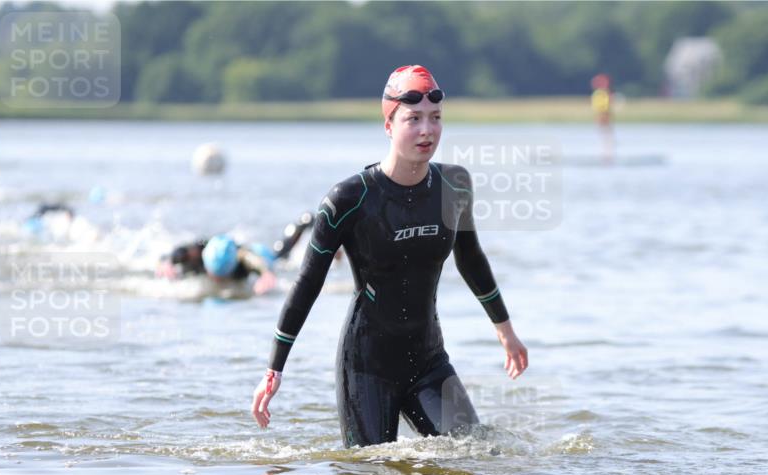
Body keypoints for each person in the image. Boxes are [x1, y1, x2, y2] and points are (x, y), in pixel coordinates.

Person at [251, 64, 528, 447]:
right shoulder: (349, 199)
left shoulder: (454, 186)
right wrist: (274, 368)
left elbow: (471, 259)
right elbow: (307, 283)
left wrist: (505, 331)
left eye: (435, 118)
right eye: (414, 119)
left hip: (429, 360)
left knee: (478, 455)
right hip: (366, 368)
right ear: (388, 125)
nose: (427, 130)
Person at [156, 213, 316, 296]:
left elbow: (252, 260)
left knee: (280, 253)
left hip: (260, 253)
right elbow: (179, 252)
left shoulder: (242, 260)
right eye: (215, 275)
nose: (217, 281)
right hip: (220, 246)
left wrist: (266, 273)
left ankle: (306, 222)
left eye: (221, 277)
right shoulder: (200, 253)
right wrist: (167, 262)